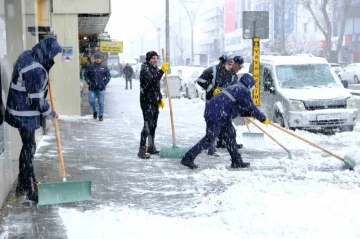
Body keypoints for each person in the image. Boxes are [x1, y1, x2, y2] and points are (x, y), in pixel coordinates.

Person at [5, 36, 62, 202]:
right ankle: (29, 186)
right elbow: (37, 100)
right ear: (46, 52)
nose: (53, 59)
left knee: (28, 145)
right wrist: (51, 113)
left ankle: (24, 183)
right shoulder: (36, 70)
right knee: (29, 147)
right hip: (24, 112)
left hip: (17, 108)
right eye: (52, 55)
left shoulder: (28, 55)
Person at [181, 73, 269, 169]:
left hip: (219, 113)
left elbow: (239, 108)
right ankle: (187, 158)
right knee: (209, 140)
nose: (252, 88)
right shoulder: (243, 90)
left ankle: (236, 161)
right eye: (253, 85)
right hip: (216, 114)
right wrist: (262, 118)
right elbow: (251, 108)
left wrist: (254, 115)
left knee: (230, 134)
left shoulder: (236, 87)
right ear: (249, 83)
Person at [197, 55, 241, 156]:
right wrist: (212, 89)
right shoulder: (212, 70)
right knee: (212, 124)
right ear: (223, 63)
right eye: (229, 64)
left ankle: (226, 143)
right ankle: (210, 146)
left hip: (225, 102)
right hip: (212, 101)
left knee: (226, 123)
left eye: (232, 64)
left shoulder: (233, 74)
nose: (231, 66)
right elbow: (200, 80)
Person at [138, 51, 169, 159]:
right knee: (147, 126)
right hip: (146, 102)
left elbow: (156, 86)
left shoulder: (154, 69)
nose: (155, 60)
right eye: (153, 58)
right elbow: (152, 80)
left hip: (154, 101)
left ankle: (151, 146)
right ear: (148, 59)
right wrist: (161, 71)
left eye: (156, 58)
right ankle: (142, 149)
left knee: (153, 125)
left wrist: (159, 98)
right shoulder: (144, 69)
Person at [84, 53, 111, 121]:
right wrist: (89, 83)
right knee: (91, 101)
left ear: (101, 59)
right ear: (94, 59)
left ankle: (101, 115)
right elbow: (85, 75)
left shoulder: (104, 67)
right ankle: (95, 111)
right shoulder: (90, 66)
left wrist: (104, 83)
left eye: (99, 58)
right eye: (96, 58)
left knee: (101, 102)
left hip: (101, 88)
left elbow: (108, 76)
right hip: (92, 88)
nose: (97, 59)